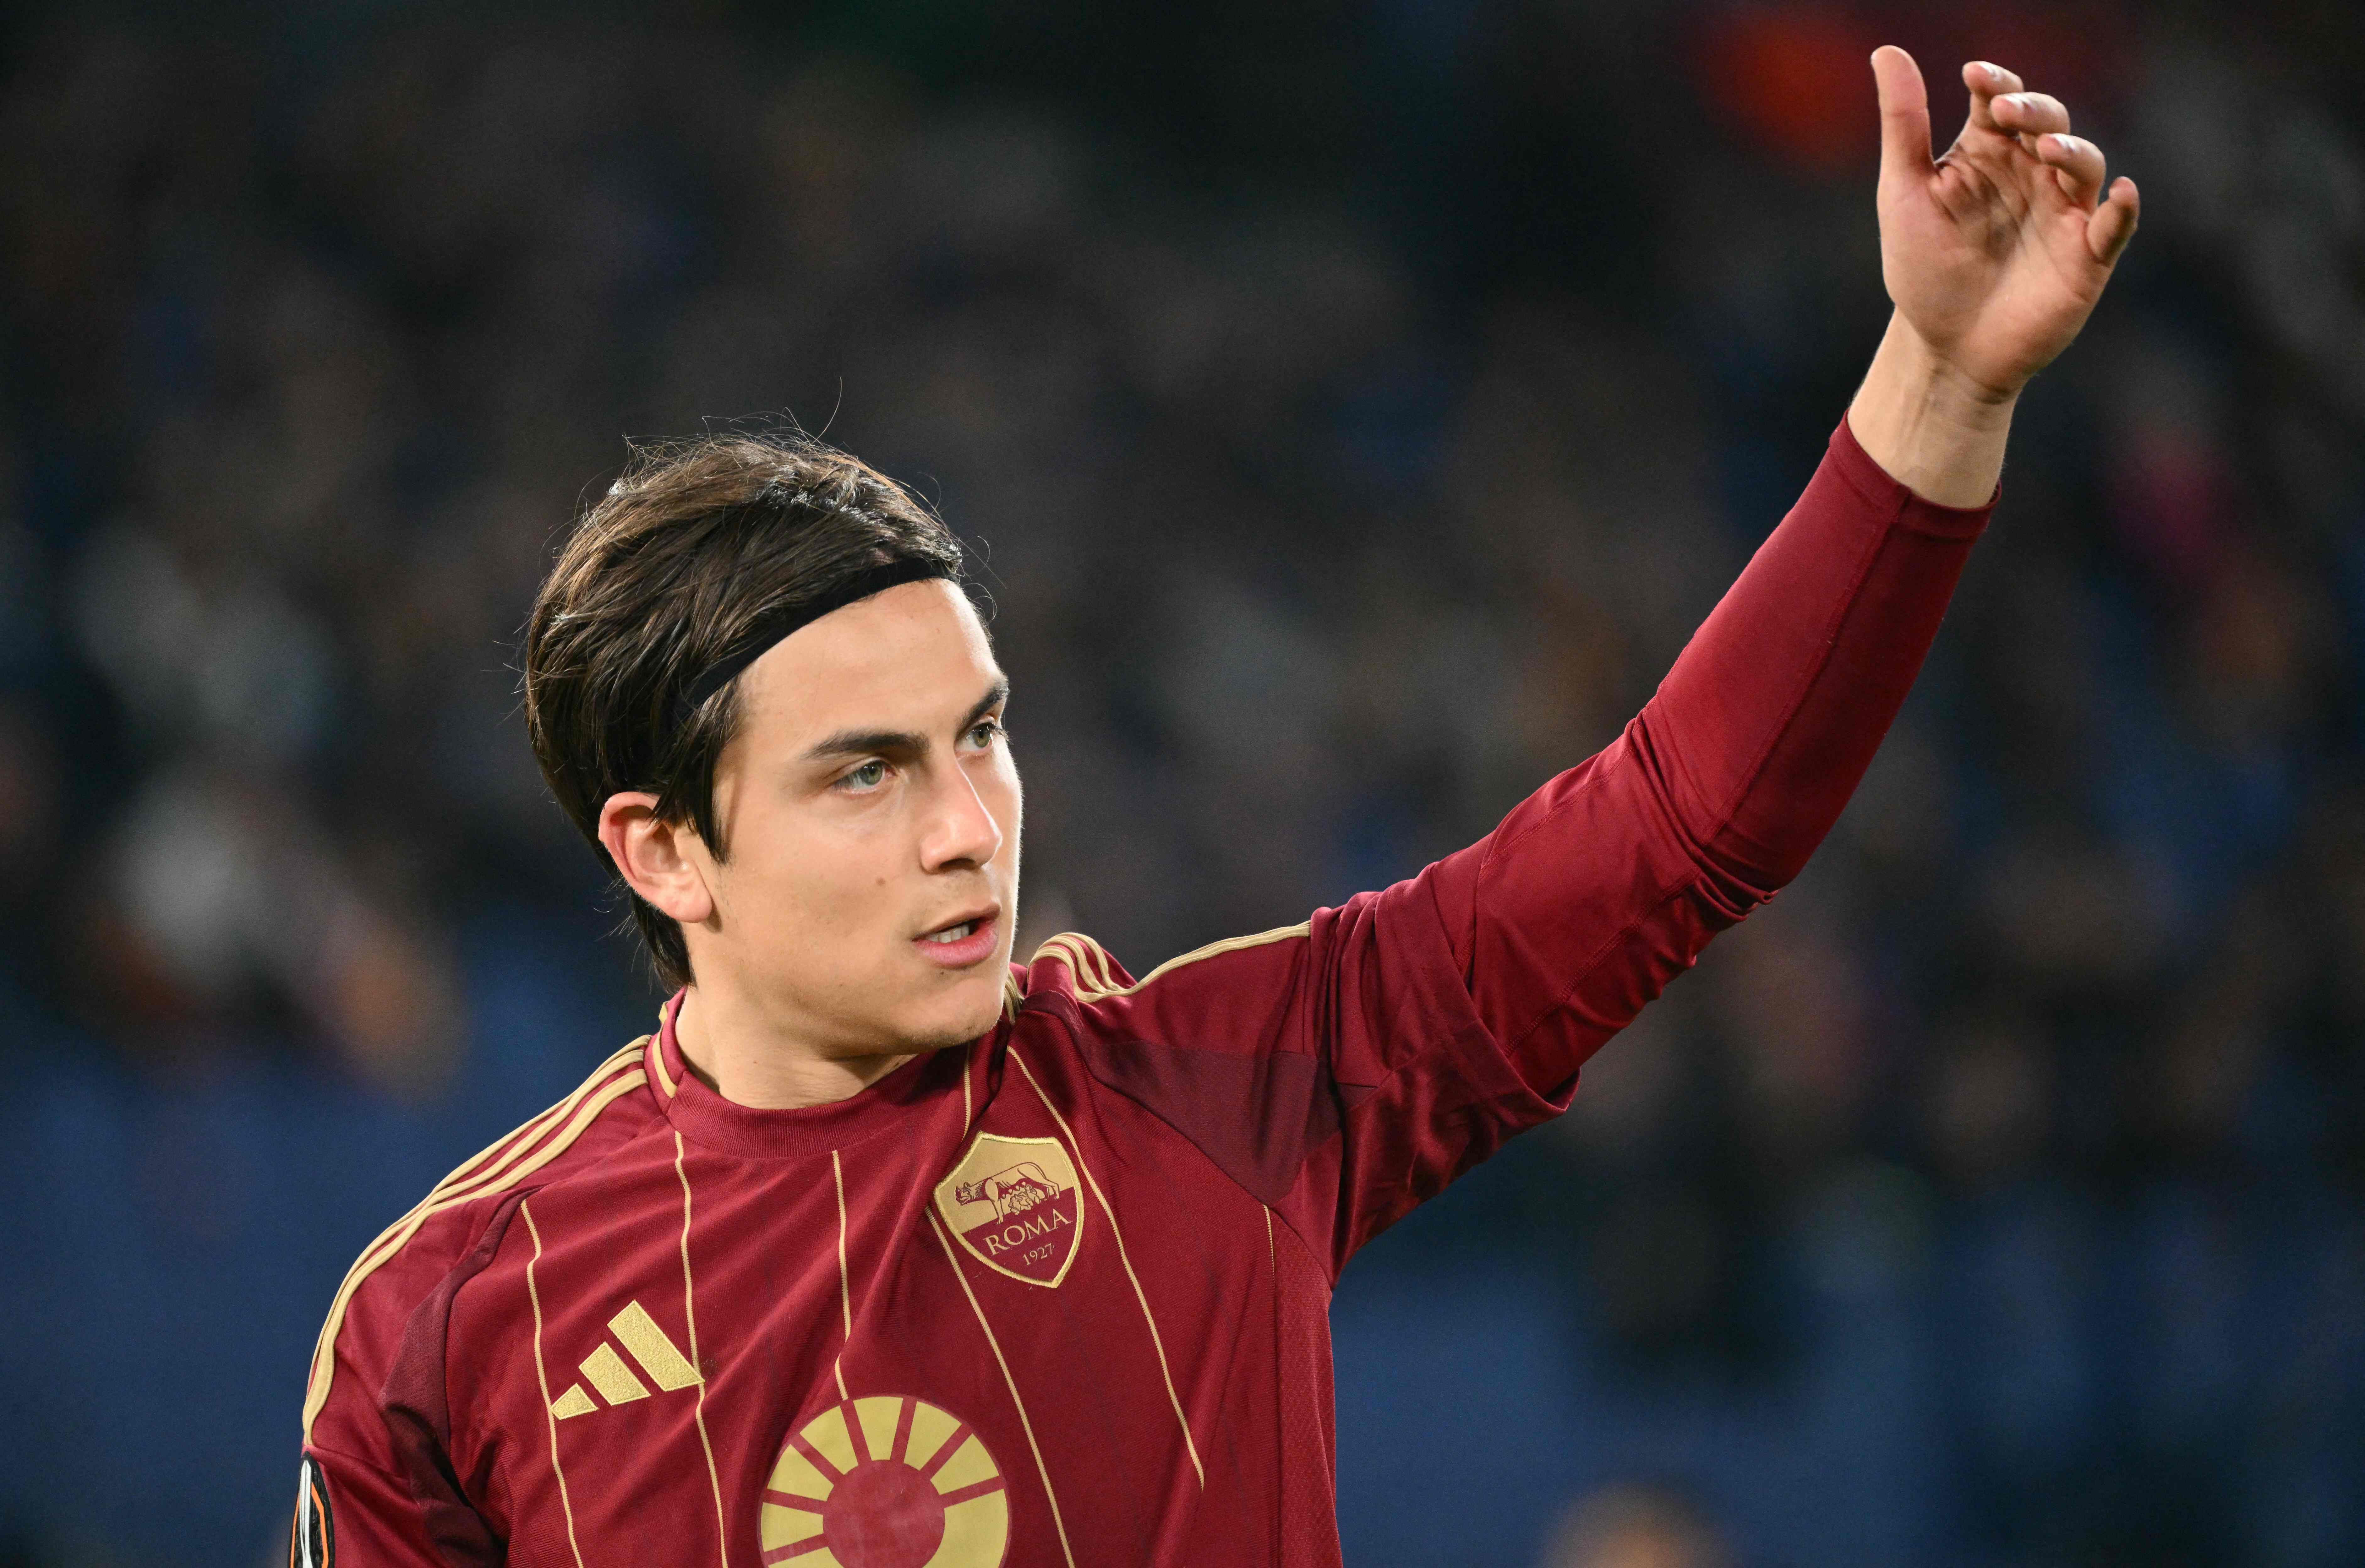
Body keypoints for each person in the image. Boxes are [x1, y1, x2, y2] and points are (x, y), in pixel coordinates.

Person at [292, 49, 2138, 1568]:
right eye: (865, 772)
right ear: (663, 849)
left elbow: (1678, 827)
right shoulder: (446, 1329)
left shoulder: (1218, 1097)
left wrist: (1940, 382)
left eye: (979, 737)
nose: (967, 826)